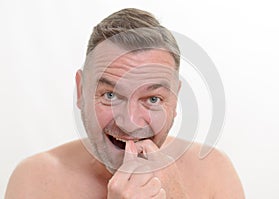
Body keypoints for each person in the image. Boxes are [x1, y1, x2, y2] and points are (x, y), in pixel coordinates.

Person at [5, 8, 245, 199]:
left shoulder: (214, 169)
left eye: (152, 99)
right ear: (81, 91)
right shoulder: (35, 178)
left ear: (174, 100)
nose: (130, 123)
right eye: (110, 95)